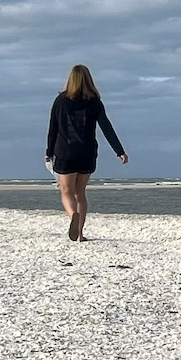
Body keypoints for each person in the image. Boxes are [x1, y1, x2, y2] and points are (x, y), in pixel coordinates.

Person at [45, 64, 128, 242]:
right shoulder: (94, 101)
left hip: (66, 152)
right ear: (88, 80)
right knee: (80, 192)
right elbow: (106, 126)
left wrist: (49, 151)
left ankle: (72, 214)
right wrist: (119, 151)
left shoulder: (60, 101)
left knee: (66, 191)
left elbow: (53, 128)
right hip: (87, 153)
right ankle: (80, 234)